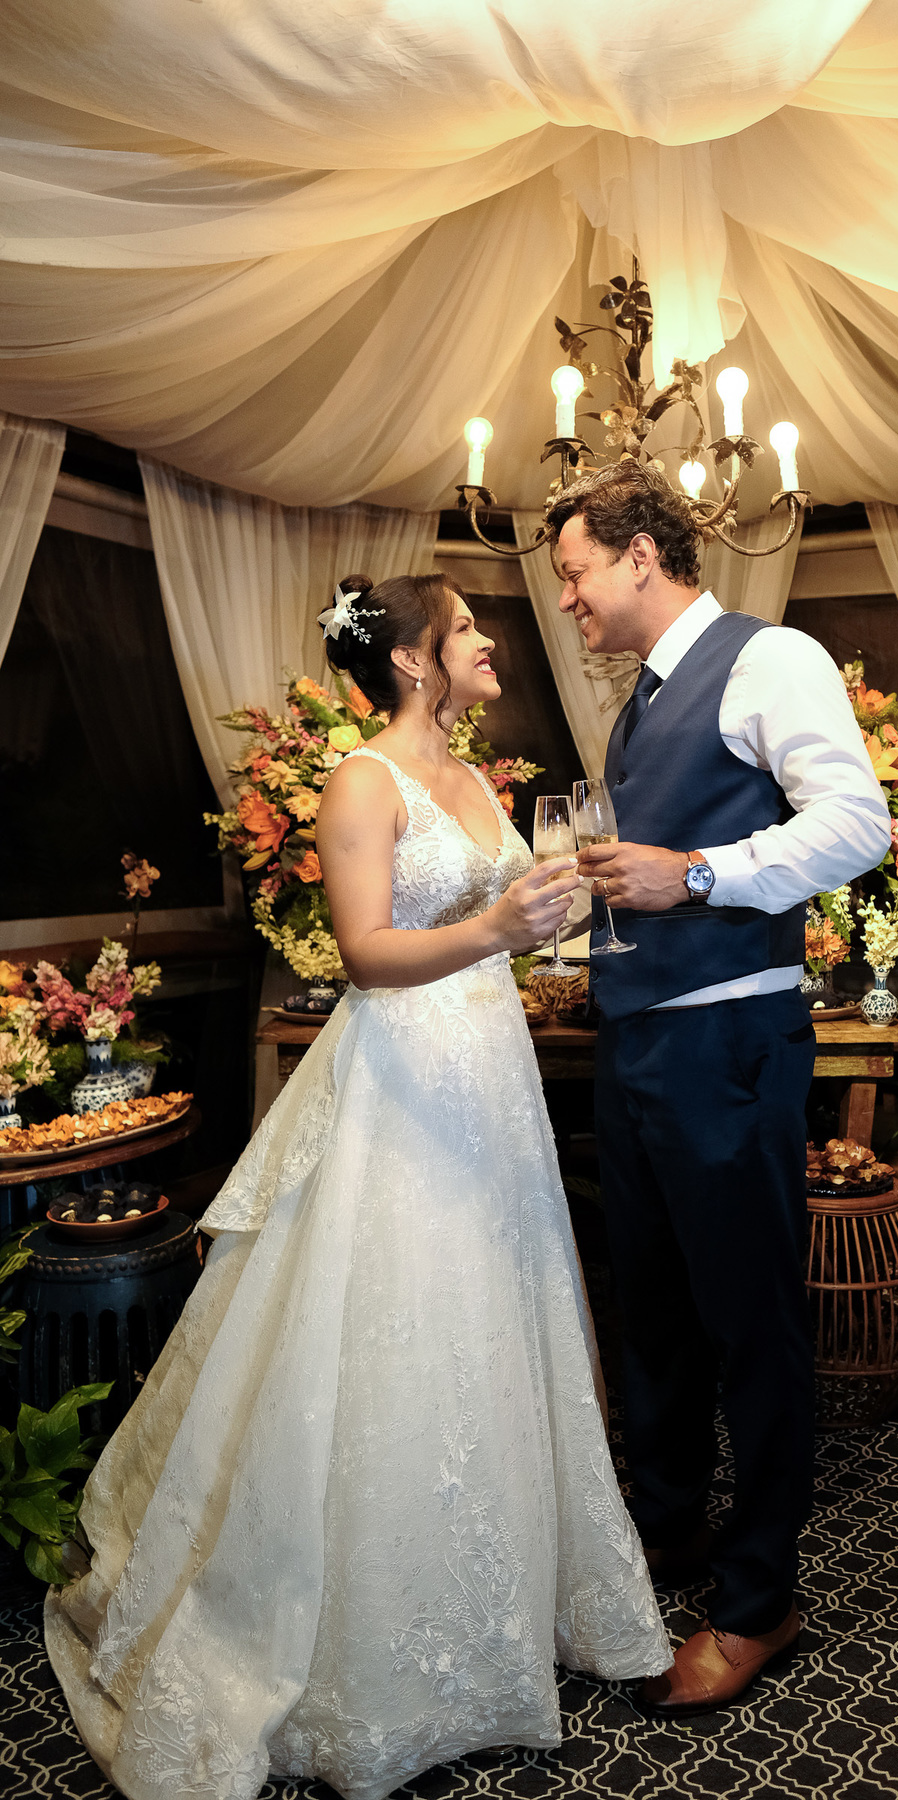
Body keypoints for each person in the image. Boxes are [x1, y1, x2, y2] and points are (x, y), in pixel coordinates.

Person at [45, 571, 670, 1800]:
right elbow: (371, 955)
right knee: (399, 1326)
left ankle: (502, 1606)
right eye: (469, 628)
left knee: (500, 1317)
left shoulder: (485, 782)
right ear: (415, 663)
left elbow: (500, 916)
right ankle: (360, 1646)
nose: (492, 639)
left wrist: (541, 913)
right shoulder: (359, 781)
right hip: (402, 1084)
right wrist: (498, 930)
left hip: (493, 1071)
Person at [547, 465, 892, 1717]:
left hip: (729, 1048)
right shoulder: (636, 704)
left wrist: (691, 876)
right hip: (636, 1048)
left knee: (752, 1325)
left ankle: (759, 1601)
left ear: (644, 553)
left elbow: (858, 824)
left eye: (579, 571)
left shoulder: (771, 657)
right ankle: (673, 1532)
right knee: (652, 1314)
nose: (570, 598)